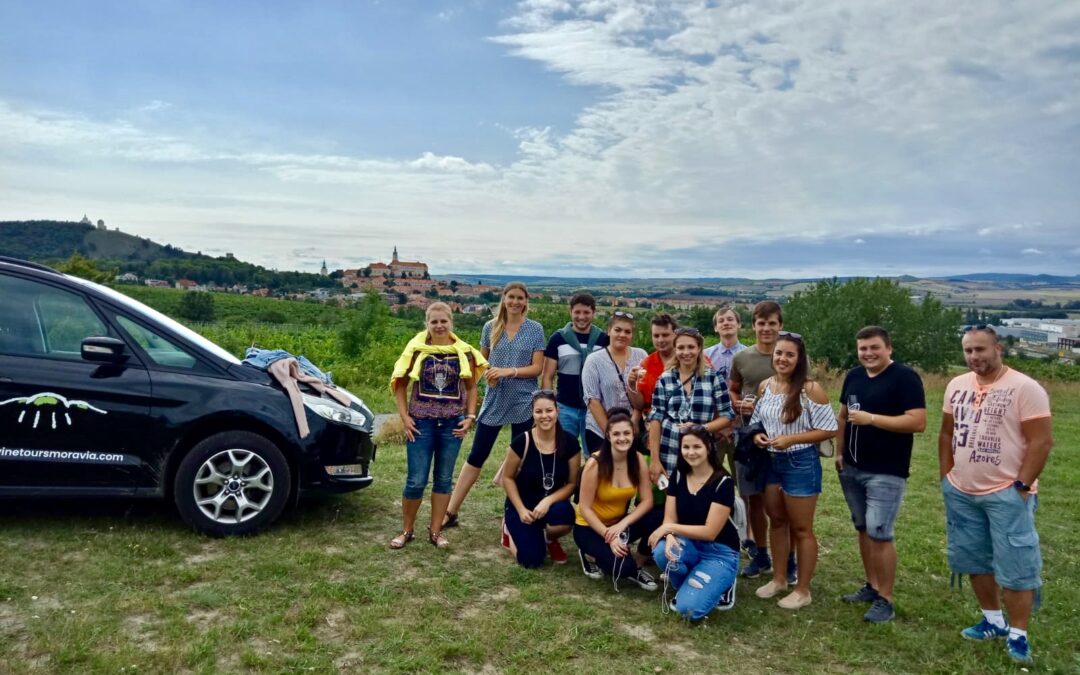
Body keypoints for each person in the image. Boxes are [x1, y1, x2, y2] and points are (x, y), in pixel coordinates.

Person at [938, 326, 1053, 665]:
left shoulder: (1025, 387)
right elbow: (946, 434)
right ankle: (993, 620)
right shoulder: (956, 385)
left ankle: (1018, 634)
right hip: (961, 491)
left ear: (997, 348)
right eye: (968, 350)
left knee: (1016, 564)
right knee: (973, 558)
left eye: (981, 349)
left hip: (1006, 493)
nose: (974, 356)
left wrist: (1022, 486)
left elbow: (1041, 441)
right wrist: (947, 477)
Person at [836, 326, 926, 623]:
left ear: (889, 348)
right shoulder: (854, 376)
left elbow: (917, 421)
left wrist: (872, 419)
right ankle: (872, 586)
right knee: (863, 527)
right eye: (863, 348)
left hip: (886, 470)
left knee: (880, 531)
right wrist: (839, 452)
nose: (868, 353)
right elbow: (843, 417)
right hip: (851, 467)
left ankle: (886, 599)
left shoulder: (905, 377)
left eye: (874, 347)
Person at [444, 282, 545, 529]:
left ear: (526, 301)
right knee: (477, 454)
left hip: (523, 400)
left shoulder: (535, 329)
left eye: (520, 298)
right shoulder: (490, 327)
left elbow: (537, 368)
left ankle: (515, 515)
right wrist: (488, 375)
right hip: (495, 398)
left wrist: (509, 371)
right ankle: (450, 511)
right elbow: (482, 363)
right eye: (511, 297)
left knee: (521, 460)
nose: (515, 302)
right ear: (504, 299)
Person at [749, 331, 837, 609]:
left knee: (801, 528)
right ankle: (779, 579)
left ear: (799, 359)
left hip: (800, 462)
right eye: (779, 353)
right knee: (777, 521)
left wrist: (792, 439)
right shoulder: (765, 386)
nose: (783, 359)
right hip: (771, 460)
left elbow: (829, 428)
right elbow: (757, 421)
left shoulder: (810, 389)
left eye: (789, 354)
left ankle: (803, 589)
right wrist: (757, 436)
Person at [389, 302, 486, 549]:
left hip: (452, 425)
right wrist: (405, 417)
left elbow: (471, 387)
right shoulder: (415, 350)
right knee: (416, 480)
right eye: (434, 322)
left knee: (443, 479)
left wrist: (470, 416)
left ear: (451, 322)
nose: (439, 326)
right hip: (421, 424)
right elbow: (400, 383)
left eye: (444, 321)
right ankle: (407, 530)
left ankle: (435, 532)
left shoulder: (464, 352)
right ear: (427, 324)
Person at [649, 426, 741, 621]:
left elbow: (710, 532)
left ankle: (724, 582)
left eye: (697, 447)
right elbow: (669, 517)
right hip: (689, 544)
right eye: (686, 447)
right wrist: (670, 536)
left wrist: (669, 529)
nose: (691, 452)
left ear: (708, 447)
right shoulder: (678, 475)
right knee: (661, 551)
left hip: (719, 551)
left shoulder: (723, 482)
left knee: (687, 610)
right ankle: (694, 583)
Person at [728, 301, 792, 580]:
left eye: (772, 323)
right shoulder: (742, 358)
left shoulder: (790, 355)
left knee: (782, 504)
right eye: (761, 323)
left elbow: (804, 390)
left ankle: (788, 559)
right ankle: (761, 555)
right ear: (753, 326)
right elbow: (733, 389)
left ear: (780, 325)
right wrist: (737, 403)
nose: (766, 328)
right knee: (753, 499)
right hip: (748, 438)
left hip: (783, 438)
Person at [573, 408, 659, 590]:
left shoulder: (638, 459)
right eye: (617, 434)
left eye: (626, 433)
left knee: (657, 516)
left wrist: (622, 524)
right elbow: (585, 508)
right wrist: (609, 536)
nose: (622, 438)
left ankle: (639, 561)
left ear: (633, 433)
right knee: (623, 569)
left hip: (618, 524)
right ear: (608, 436)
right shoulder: (595, 464)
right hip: (590, 527)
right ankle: (589, 554)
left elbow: (647, 501)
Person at [501, 390, 581, 567]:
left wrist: (547, 501)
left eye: (549, 410)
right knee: (531, 560)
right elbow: (507, 478)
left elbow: (571, 484)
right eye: (539, 411)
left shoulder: (570, 443)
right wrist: (521, 510)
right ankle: (508, 530)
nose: (544, 416)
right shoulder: (522, 442)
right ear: (532, 413)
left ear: (557, 411)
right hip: (523, 506)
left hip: (550, 506)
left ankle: (549, 538)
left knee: (565, 515)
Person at [647, 327, 735, 484]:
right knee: (673, 496)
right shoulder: (665, 379)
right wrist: (654, 460)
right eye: (681, 347)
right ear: (675, 349)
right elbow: (655, 419)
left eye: (691, 347)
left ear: (699, 348)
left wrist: (701, 428)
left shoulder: (713, 378)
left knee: (702, 494)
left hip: (702, 452)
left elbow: (727, 415)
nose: (686, 352)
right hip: (670, 450)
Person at [541, 293, 609, 455]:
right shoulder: (558, 339)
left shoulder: (603, 340)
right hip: (565, 407)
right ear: (570, 312)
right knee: (562, 453)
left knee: (594, 454)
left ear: (594, 312)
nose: (581, 317)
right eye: (577, 312)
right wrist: (549, 405)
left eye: (586, 312)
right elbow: (548, 376)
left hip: (594, 409)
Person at [581, 312, 648, 454]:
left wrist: (634, 422)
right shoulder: (594, 360)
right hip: (600, 430)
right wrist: (611, 433)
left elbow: (645, 394)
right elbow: (592, 400)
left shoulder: (641, 356)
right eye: (618, 330)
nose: (622, 335)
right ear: (609, 331)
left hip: (633, 428)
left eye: (627, 332)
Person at [629, 313, 677, 417]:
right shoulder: (646, 364)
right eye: (656, 336)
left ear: (675, 335)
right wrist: (632, 386)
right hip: (654, 420)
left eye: (665, 335)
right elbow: (639, 405)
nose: (660, 340)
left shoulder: (689, 358)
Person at [702, 305, 746, 382]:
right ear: (715, 328)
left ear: (739, 324)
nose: (726, 323)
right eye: (721, 321)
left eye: (730, 319)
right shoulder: (705, 355)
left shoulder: (748, 355)